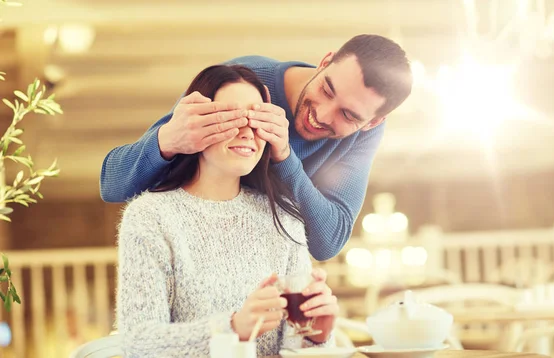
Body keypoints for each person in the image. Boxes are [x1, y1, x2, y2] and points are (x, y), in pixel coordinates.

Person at [102, 34, 413, 261]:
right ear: (325, 62)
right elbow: (111, 185)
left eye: (348, 115)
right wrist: (167, 140)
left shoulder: (362, 135)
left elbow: (328, 242)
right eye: (326, 89)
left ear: (372, 123)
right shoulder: (242, 85)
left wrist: (284, 157)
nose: (321, 114)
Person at [116, 65, 339, 358]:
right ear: (196, 125)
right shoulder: (150, 217)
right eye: (232, 118)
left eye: (257, 118)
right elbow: (138, 343)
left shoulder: (284, 220)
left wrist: (317, 335)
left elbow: (295, 347)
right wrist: (232, 328)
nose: (248, 132)